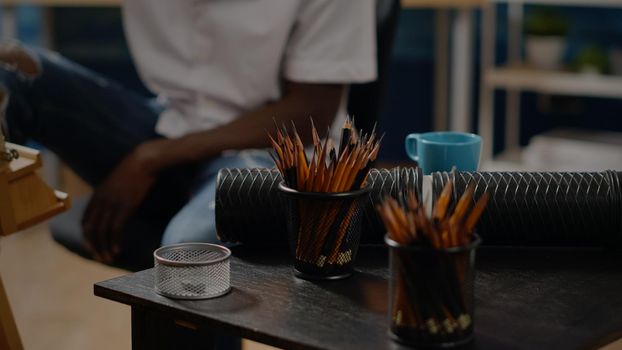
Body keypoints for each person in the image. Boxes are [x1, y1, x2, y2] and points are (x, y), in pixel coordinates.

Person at [0, 0, 377, 271]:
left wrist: (152, 157)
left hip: (273, 149)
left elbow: (312, 111)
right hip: (170, 122)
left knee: (188, 258)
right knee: (10, 72)